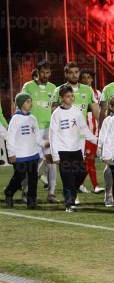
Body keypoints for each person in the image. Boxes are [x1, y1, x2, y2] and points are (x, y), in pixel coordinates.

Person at [49, 85, 97, 212]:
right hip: (63, 151)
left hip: (76, 150)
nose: (70, 98)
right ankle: (69, 203)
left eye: (72, 96)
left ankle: (70, 194)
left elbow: (85, 130)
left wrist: (97, 141)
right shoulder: (56, 114)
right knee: (68, 178)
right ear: (61, 98)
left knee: (81, 173)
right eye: (67, 96)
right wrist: (55, 155)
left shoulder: (77, 111)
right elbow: (52, 135)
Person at [3, 93, 48, 209]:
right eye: (28, 102)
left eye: (30, 101)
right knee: (20, 176)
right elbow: (10, 138)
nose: (30, 103)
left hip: (33, 154)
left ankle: (31, 202)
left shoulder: (33, 118)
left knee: (33, 179)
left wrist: (44, 143)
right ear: (21, 104)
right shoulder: (15, 119)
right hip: (19, 155)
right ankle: (9, 192)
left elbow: (37, 137)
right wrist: (11, 153)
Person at [21, 60, 58, 203]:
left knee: (52, 161)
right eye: (42, 72)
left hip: (49, 129)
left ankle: (52, 194)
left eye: (47, 72)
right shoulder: (28, 86)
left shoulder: (53, 88)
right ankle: (26, 192)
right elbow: (23, 106)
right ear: (37, 72)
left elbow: (55, 108)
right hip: (33, 129)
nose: (45, 75)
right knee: (32, 162)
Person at [79, 70, 104, 194]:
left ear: (92, 80)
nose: (86, 80)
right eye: (83, 77)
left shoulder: (98, 93)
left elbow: (100, 111)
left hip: (96, 131)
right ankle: (95, 185)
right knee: (90, 158)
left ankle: (79, 183)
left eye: (88, 77)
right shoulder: (79, 93)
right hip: (85, 132)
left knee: (89, 159)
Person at [98, 95, 114, 207]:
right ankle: (108, 195)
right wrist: (101, 149)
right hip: (111, 150)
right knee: (110, 171)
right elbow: (102, 137)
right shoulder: (108, 120)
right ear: (111, 107)